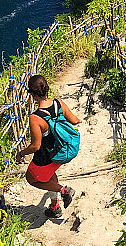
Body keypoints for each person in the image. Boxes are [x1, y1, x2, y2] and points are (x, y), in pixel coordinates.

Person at [16, 74, 81, 218]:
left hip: (45, 157)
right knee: (50, 177)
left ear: (31, 94)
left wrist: (21, 153)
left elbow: (35, 146)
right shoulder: (58, 103)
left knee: (31, 178)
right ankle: (54, 207)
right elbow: (75, 120)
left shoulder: (36, 117)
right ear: (46, 88)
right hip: (60, 152)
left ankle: (64, 190)